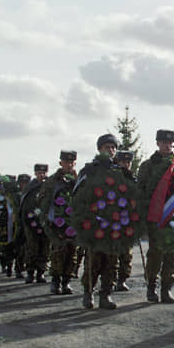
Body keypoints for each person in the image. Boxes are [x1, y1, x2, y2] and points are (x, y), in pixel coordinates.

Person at [73, 133, 136, 310]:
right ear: (99, 149)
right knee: (93, 261)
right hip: (95, 224)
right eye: (107, 147)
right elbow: (78, 196)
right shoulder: (89, 170)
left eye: (113, 147)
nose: (111, 150)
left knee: (111, 262)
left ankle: (106, 294)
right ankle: (88, 293)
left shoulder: (120, 171)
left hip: (114, 225)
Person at [137, 130, 174, 304]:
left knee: (172, 255)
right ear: (157, 143)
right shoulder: (147, 166)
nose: (167, 145)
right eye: (163, 142)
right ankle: (152, 288)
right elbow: (142, 191)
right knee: (155, 254)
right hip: (156, 217)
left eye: (170, 143)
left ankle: (166, 289)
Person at [39, 151, 79, 295]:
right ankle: (55, 281)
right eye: (66, 162)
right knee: (57, 252)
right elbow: (43, 201)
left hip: (73, 224)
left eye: (72, 163)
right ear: (60, 163)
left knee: (72, 253)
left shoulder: (78, 180)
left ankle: (66, 281)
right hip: (57, 224)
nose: (69, 165)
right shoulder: (51, 181)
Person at [20, 164, 50, 284]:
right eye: (38, 173)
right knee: (32, 247)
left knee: (45, 247)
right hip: (31, 221)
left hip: (45, 222)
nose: (41, 175)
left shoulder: (49, 185)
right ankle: (30, 272)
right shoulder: (30, 187)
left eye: (43, 173)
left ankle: (41, 272)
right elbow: (25, 204)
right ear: (35, 173)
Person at [114, 150, 136, 292]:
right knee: (113, 254)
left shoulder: (133, 179)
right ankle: (111, 279)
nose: (125, 165)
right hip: (113, 221)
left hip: (128, 221)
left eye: (128, 162)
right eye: (122, 162)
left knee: (126, 254)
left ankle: (122, 279)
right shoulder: (111, 178)